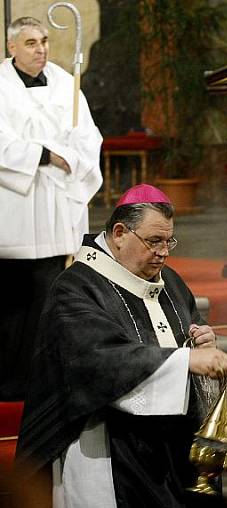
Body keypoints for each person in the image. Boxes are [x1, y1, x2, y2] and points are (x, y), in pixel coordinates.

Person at [15, 184, 227, 508]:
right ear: (119, 233)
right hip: (105, 446)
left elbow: (189, 332)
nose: (164, 252)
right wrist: (185, 360)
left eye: (168, 241)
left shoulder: (169, 280)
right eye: (154, 241)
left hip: (167, 448)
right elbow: (94, 359)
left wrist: (201, 340)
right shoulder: (76, 287)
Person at [0, 17, 103, 400]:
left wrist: (72, 158)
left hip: (56, 205)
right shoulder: (0, 86)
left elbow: (88, 136)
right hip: (15, 207)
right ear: (12, 47)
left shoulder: (65, 82)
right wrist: (44, 154)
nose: (41, 49)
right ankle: (6, 379)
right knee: (11, 303)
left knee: (46, 298)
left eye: (44, 41)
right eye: (30, 43)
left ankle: (36, 377)